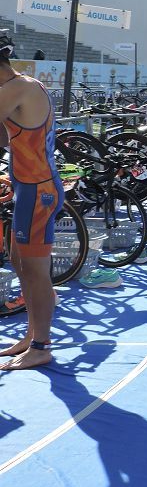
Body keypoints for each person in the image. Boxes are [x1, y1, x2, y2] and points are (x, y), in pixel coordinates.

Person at [0, 31, 64, 370]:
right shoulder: (17, 89)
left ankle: (41, 346)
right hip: (30, 187)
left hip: (39, 190)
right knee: (19, 262)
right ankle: (32, 335)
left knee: (35, 271)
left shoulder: (17, 88)